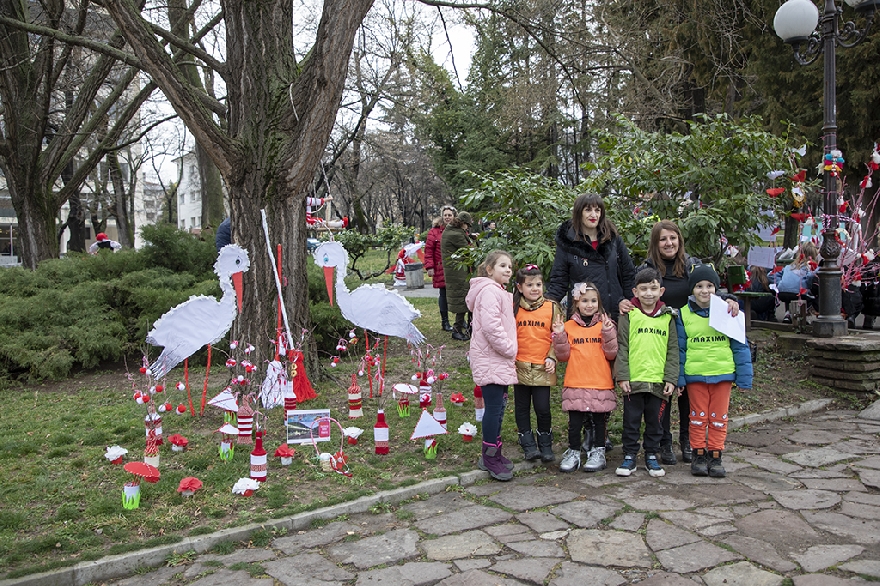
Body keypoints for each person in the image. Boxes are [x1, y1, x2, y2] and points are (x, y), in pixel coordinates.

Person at [632, 220, 739, 466]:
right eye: (663, 239)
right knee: (665, 392)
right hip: (660, 339)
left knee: (691, 393)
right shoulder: (647, 268)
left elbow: (710, 290)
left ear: (679, 240)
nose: (668, 243)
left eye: (673, 238)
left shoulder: (693, 266)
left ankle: (689, 440)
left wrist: (730, 300)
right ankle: (664, 441)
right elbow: (639, 297)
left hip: (692, 337)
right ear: (655, 243)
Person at [676, 264, 753, 478]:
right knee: (698, 417)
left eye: (710, 285)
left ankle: (716, 454)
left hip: (723, 374)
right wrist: (680, 379)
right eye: (699, 286)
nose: (704, 290)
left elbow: (740, 345)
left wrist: (745, 378)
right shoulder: (683, 315)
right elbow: (680, 349)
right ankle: (699, 454)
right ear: (692, 289)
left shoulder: (730, 311)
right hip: (696, 375)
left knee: (719, 417)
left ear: (716, 288)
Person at [615, 267, 679, 478]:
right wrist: (622, 375)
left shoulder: (668, 317)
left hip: (659, 382)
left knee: (655, 422)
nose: (648, 293)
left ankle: (651, 454)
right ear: (635, 292)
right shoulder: (629, 315)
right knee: (631, 421)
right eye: (644, 289)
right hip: (634, 381)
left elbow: (672, 349)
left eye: (653, 288)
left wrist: (671, 378)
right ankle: (630, 455)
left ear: (661, 291)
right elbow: (622, 346)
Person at [551, 282, 618, 473]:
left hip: (600, 382)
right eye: (585, 300)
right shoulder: (568, 326)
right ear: (576, 303)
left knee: (599, 422)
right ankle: (573, 452)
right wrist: (560, 336)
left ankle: (598, 452)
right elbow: (563, 356)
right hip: (576, 381)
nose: (589, 305)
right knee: (575, 423)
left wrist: (608, 332)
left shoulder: (605, 325)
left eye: (593, 300)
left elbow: (612, 353)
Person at [466, 250, 518, 482]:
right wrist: (510, 349)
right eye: (503, 266)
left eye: (510, 266)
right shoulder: (489, 291)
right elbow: (491, 327)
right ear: (489, 270)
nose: (508, 270)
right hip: (492, 358)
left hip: (496, 359)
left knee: (499, 407)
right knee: (494, 409)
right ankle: (489, 457)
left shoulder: (497, 291)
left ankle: (494, 452)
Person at [547, 193, 636, 322]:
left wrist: (630, 301)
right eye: (588, 210)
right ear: (579, 213)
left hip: (615, 314)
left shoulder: (614, 239)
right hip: (582, 319)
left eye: (597, 210)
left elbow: (628, 274)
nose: (593, 215)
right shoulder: (567, 243)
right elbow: (558, 282)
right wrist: (541, 306)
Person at [512, 264, 564, 463]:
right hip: (520, 366)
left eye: (539, 284)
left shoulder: (552, 307)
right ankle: (528, 443)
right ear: (519, 287)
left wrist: (553, 356)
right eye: (530, 285)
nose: (535, 289)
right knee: (522, 407)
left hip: (544, 366)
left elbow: (558, 336)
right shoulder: (514, 308)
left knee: (543, 408)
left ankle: (545, 443)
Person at [441, 211, 474, 341]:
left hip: (456, 270)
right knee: (463, 299)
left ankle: (466, 327)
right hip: (458, 273)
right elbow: (468, 251)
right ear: (463, 223)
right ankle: (457, 329)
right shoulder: (456, 234)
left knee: (465, 298)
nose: (468, 227)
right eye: (467, 225)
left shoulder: (452, 231)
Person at [425, 205, 457, 332]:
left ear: (454, 216)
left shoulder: (458, 230)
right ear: (442, 216)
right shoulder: (434, 232)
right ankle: (445, 322)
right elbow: (428, 251)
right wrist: (429, 267)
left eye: (450, 215)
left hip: (455, 268)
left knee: (457, 295)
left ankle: (459, 321)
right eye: (445, 215)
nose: (447, 217)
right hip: (441, 267)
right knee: (443, 294)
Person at [773, 242, 819, 321]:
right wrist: (808, 285)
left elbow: (772, 275)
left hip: (782, 292)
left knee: (790, 290)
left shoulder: (789, 266)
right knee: (811, 296)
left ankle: (788, 313)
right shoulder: (809, 265)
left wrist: (779, 283)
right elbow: (810, 276)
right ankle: (802, 316)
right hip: (799, 293)